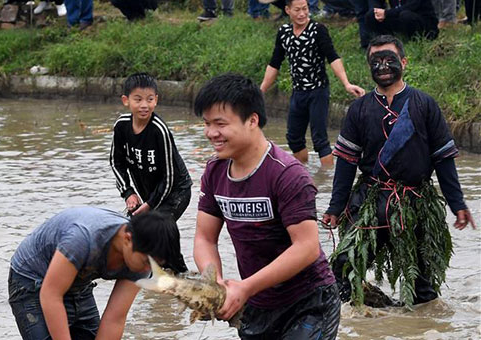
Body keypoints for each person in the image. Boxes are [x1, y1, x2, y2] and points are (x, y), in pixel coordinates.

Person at [323, 35, 476, 307]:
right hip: (370, 202)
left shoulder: (424, 104)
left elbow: (443, 159)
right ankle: (357, 322)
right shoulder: (359, 109)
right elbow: (346, 163)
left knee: (422, 285)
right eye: (376, 61)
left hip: (415, 205)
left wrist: (457, 203)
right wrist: (335, 208)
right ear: (369, 66)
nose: (383, 66)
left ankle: (420, 328)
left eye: (389, 60)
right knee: (343, 267)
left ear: (403, 62)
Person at [193, 73, 340, 339]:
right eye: (206, 123)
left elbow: (306, 248)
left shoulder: (287, 174)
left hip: (308, 302)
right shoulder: (214, 171)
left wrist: (246, 288)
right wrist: (214, 283)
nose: (211, 133)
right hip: (256, 305)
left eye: (220, 123)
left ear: (252, 120)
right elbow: (205, 238)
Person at [9, 207, 186, 340]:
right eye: (146, 262)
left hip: (79, 282)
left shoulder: (141, 262)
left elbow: (114, 318)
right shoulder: (83, 239)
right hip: (32, 279)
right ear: (127, 239)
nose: (146, 270)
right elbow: (51, 295)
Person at [260, 0, 365, 167]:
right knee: (294, 138)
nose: (302, 14)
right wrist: (261, 91)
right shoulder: (284, 32)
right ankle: (303, 172)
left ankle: (328, 178)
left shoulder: (318, 30)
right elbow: (274, 63)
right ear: (287, 10)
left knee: (320, 139)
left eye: (305, 9)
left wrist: (346, 83)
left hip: (318, 92)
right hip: (298, 93)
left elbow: (333, 57)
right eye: (297, 10)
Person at [110, 72, 192, 271]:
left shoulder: (159, 130)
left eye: (149, 99)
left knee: (159, 229)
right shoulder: (121, 126)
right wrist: (128, 192)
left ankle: (180, 274)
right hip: (147, 193)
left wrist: (149, 205)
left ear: (156, 100)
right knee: (134, 231)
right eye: (138, 99)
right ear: (126, 101)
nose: (144, 105)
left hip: (175, 192)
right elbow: (115, 162)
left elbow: (170, 177)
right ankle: (150, 276)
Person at [365, 0, 439, 40]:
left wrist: (386, 13)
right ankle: (385, 40)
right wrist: (377, 11)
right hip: (400, 18)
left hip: (425, 24)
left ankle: (416, 41)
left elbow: (411, 7)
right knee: (371, 15)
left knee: (405, 15)